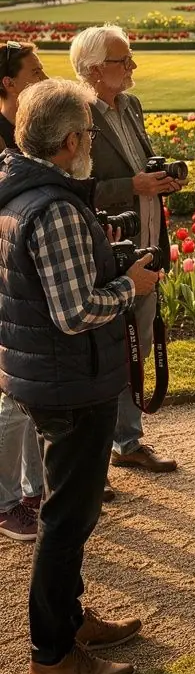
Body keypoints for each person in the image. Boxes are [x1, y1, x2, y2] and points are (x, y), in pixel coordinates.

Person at [0, 79, 159, 674]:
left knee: (66, 515)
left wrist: (108, 260)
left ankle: (69, 622)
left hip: (41, 374)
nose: (91, 142)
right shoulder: (57, 207)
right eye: (89, 134)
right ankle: (53, 655)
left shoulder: (18, 188)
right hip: (71, 381)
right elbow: (73, 313)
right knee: (67, 523)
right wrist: (129, 288)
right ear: (70, 140)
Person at [70, 25, 184, 477]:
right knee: (102, 352)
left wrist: (160, 178)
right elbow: (73, 186)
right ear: (95, 70)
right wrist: (131, 185)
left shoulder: (130, 105)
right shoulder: (75, 114)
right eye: (124, 61)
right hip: (106, 249)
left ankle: (127, 440)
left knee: (136, 342)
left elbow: (143, 164)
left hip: (146, 240)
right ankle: (95, 451)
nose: (133, 67)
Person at [0, 41, 47, 543]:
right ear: (8, 83)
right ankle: (6, 500)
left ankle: (34, 490)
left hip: (28, 275)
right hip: (8, 277)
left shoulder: (30, 132)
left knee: (33, 392)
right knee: (13, 395)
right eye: (33, 72)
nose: (42, 77)